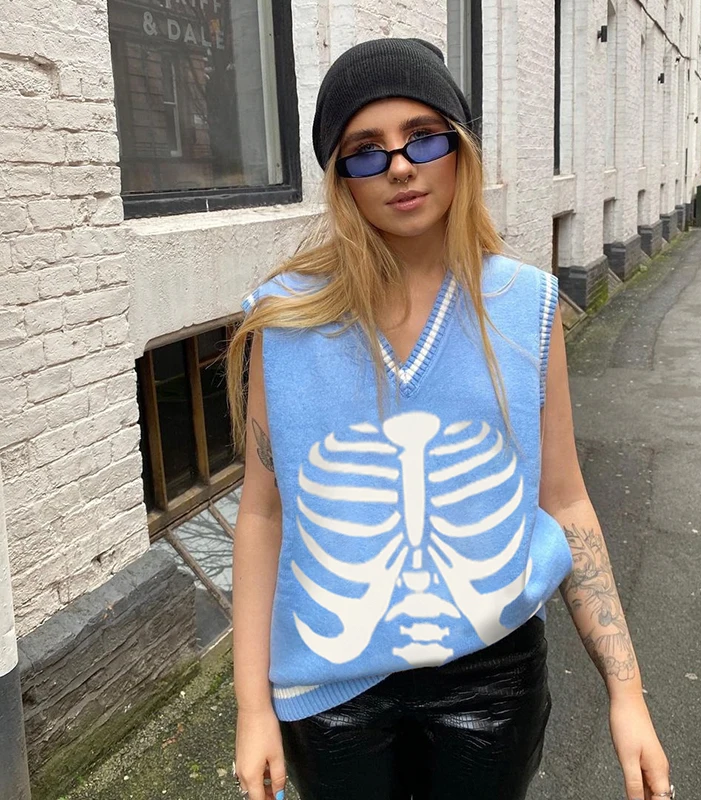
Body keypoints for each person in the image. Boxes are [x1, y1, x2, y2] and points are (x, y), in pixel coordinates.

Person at [227, 37, 672, 800]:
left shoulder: (526, 307)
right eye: (366, 150)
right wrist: (251, 707)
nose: (400, 166)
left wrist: (625, 692)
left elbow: (564, 501)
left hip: (491, 685)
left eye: (423, 137)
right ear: (340, 177)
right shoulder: (286, 321)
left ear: (460, 150)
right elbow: (263, 515)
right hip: (330, 694)